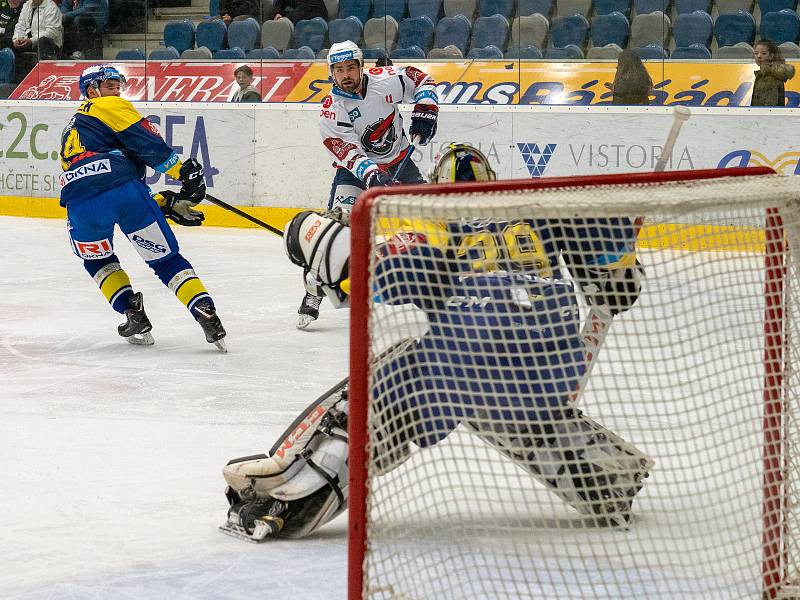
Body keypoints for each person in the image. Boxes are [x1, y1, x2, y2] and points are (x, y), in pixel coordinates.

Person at [219, 144, 652, 543]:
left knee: (373, 394)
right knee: (503, 398)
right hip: (554, 371)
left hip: (466, 362)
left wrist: (320, 250)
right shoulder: (538, 209)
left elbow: (380, 269)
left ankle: (285, 500)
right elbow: (614, 265)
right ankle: (609, 477)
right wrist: (620, 270)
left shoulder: (436, 222)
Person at [59, 65, 227, 351]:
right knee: (165, 260)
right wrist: (184, 172)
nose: (117, 91)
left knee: (97, 259)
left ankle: (132, 312)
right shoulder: (106, 106)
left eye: (117, 86)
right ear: (92, 91)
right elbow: (144, 141)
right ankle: (204, 311)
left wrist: (160, 201)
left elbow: (96, 177)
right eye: (110, 85)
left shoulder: (71, 128)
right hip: (124, 191)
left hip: (78, 202)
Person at [295, 40, 439, 330]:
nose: (345, 75)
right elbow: (344, 150)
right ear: (330, 73)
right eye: (339, 70)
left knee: (430, 220)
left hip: (401, 162)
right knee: (334, 235)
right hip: (354, 174)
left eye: (351, 67)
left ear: (362, 67)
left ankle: (437, 288)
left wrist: (426, 107)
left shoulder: (386, 81)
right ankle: (314, 289)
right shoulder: (331, 109)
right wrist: (371, 173)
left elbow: (420, 78)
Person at [752, 39, 796, 107]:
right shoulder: (764, 74)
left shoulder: (769, 76)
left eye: (763, 53)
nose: (759, 56)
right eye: (756, 53)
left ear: (771, 56)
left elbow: (769, 107)